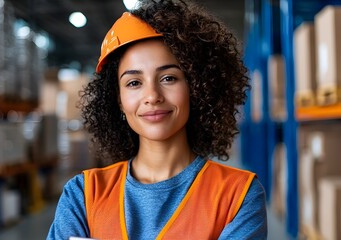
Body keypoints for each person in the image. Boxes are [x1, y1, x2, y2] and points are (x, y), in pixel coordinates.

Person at [47, 0, 267, 239]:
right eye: (134, 83)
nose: (152, 96)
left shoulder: (239, 195)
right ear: (118, 100)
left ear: (196, 87)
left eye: (169, 78)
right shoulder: (83, 195)